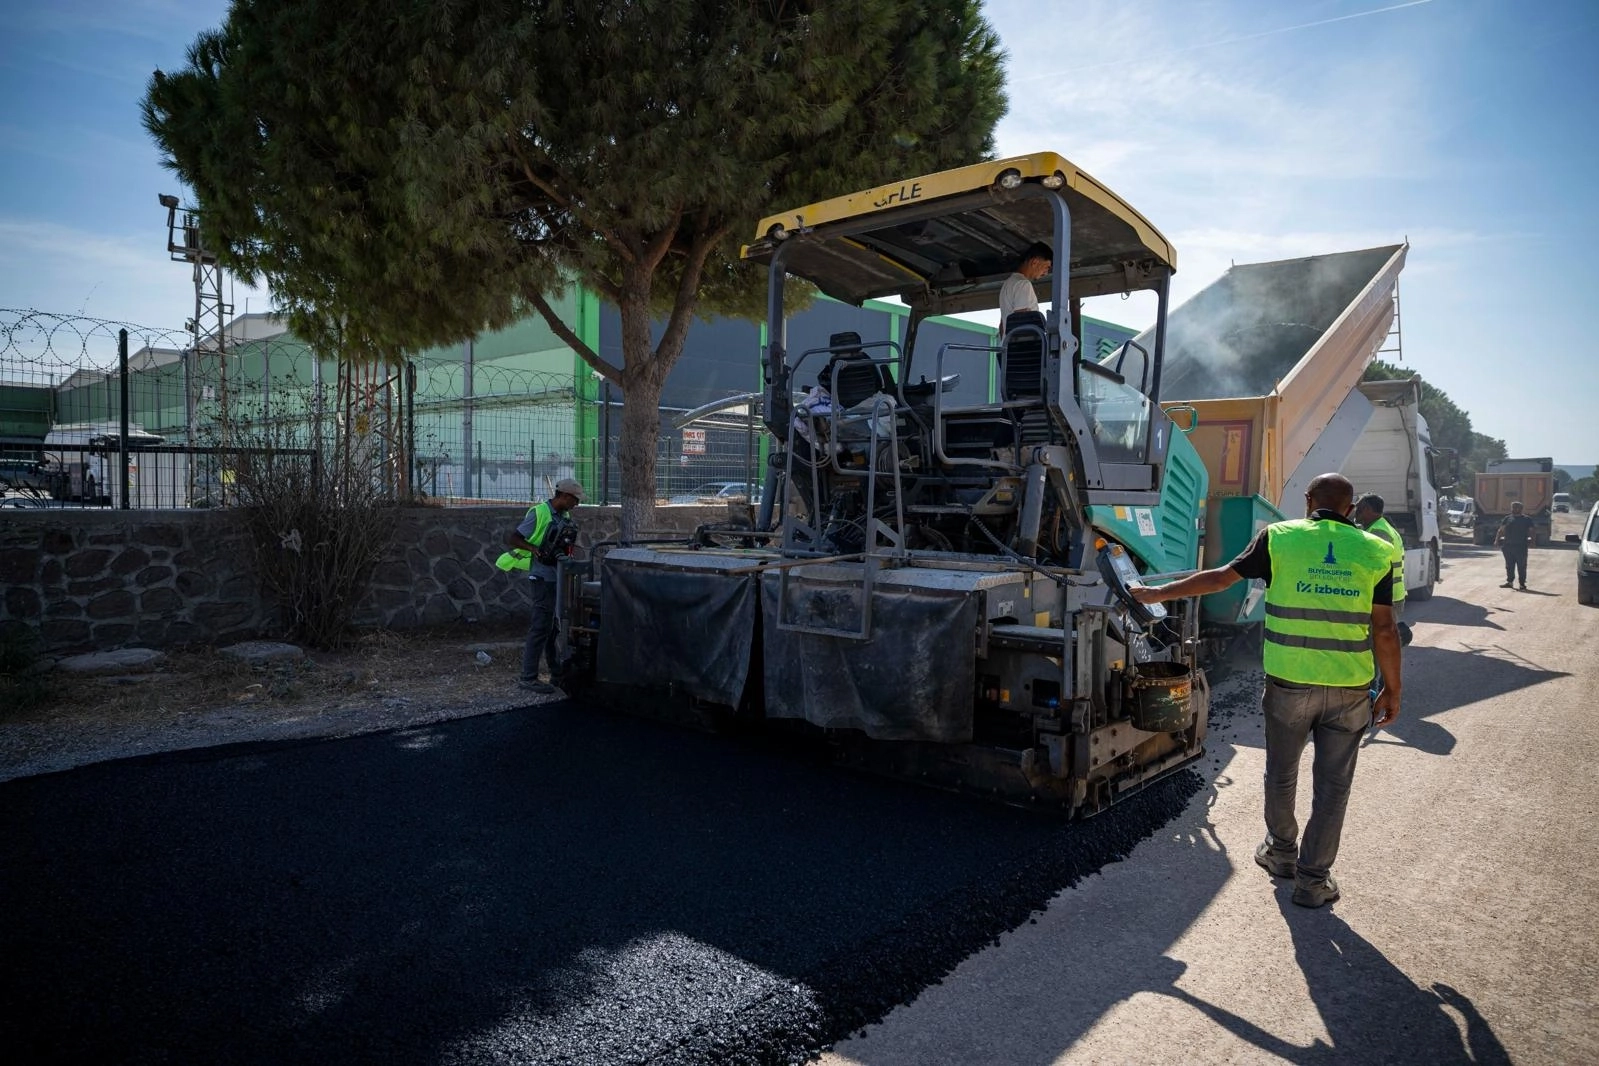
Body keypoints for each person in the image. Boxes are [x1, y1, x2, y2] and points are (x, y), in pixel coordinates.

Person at [1131, 472, 1402, 909]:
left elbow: (1219, 579)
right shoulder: (1376, 550)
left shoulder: (1279, 537)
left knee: (1281, 772)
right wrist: (1392, 689)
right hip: (1350, 687)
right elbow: (1385, 628)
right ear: (1351, 509)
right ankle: (1313, 881)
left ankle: (1280, 852)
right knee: (1333, 786)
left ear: (1308, 500)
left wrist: (1156, 593)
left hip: (1288, 682)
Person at [501, 478, 585, 694]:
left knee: (552, 627)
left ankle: (556, 674)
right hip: (541, 577)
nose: (576, 504)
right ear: (564, 496)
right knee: (540, 627)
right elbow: (514, 538)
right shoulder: (539, 513)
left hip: (556, 576)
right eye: (575, 500)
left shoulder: (565, 516)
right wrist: (534, 549)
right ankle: (528, 678)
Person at [1353, 493, 1406, 624]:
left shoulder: (1378, 532)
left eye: (1358, 507)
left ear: (1367, 509)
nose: (1355, 511)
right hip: (1390, 595)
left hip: (1384, 597)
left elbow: (1372, 567)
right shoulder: (1382, 527)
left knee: (1380, 634)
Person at [997, 242, 1053, 335]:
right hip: (1021, 343)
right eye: (1046, 267)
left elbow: (1002, 326)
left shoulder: (1008, 283)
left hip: (1009, 342)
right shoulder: (1023, 284)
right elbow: (1022, 322)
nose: (1046, 273)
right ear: (1034, 262)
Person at [1493, 500, 1535, 590]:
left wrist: (1532, 542)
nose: (1514, 509)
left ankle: (1522, 584)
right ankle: (1510, 582)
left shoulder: (1527, 519)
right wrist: (1496, 540)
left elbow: (1531, 531)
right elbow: (1501, 530)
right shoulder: (1507, 518)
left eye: (1517, 507)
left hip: (1521, 546)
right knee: (1509, 565)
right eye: (1513, 507)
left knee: (1521, 566)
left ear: (1521, 509)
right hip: (1508, 546)